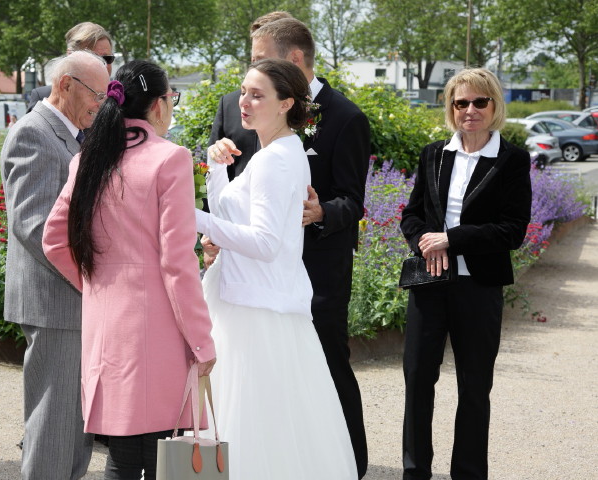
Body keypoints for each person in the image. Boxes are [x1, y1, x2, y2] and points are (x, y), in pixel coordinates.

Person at [206, 15, 371, 477]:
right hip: (242, 273)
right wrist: (212, 229)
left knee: (321, 371)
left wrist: (323, 212)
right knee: (252, 388)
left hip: (315, 267)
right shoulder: (232, 106)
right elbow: (231, 189)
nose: (247, 89)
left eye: (260, 60)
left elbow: (353, 200)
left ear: (293, 61)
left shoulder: (347, 117)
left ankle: (344, 462)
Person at [42, 60, 216, 480]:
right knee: (161, 456)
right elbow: (177, 262)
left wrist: (97, 285)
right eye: (172, 98)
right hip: (158, 327)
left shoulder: (89, 157)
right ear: (159, 105)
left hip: (107, 325)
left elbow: (53, 241)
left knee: (122, 456)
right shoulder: (168, 159)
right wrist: (201, 340)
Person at [399, 68, 531, 480]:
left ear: (494, 106)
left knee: (474, 388)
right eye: (461, 103)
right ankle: (415, 471)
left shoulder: (511, 160)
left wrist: (451, 240)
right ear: (450, 108)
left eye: (479, 102)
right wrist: (426, 241)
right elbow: (412, 214)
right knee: (418, 381)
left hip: (480, 287)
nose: (470, 110)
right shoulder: (433, 154)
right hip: (430, 283)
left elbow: (513, 230)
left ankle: (469, 474)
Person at [0, 50, 109, 480]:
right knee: (53, 425)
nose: (101, 103)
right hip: (57, 300)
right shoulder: (34, 135)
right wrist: (94, 280)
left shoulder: (71, 135)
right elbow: (38, 227)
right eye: (96, 93)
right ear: (64, 85)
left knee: (73, 425)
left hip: (70, 302)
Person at [26, 22, 115, 112]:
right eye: (93, 58)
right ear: (70, 55)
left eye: (107, 58)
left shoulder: (121, 100)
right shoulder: (43, 98)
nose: (102, 65)